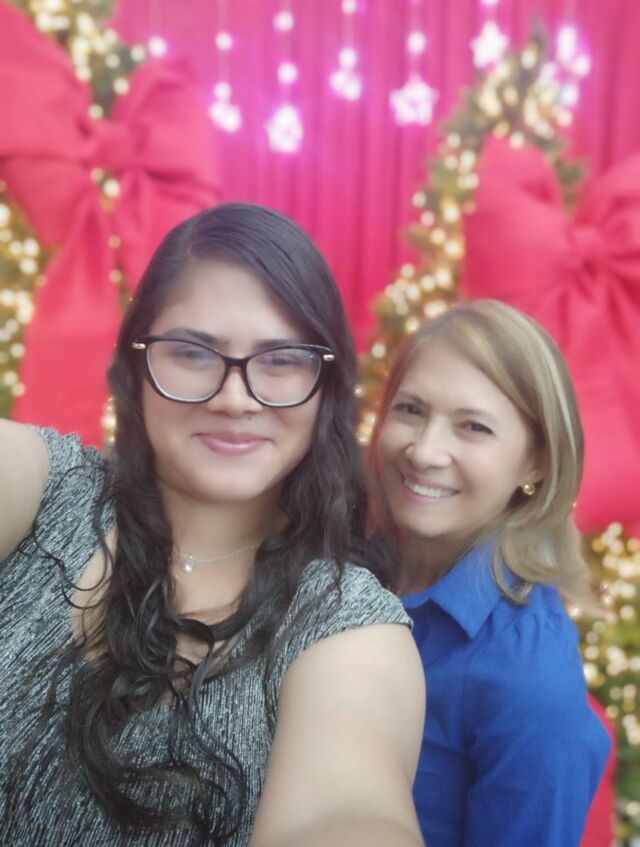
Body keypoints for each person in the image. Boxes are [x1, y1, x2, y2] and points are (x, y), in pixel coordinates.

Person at [0, 203, 425, 847]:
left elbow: (348, 811)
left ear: (326, 386)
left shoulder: (346, 625)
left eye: (282, 360)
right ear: (137, 364)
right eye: (193, 352)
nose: (234, 398)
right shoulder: (43, 487)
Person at [368, 299, 611, 847]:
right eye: (411, 409)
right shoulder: (338, 561)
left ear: (536, 462)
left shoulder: (529, 681)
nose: (425, 451)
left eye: (473, 427)